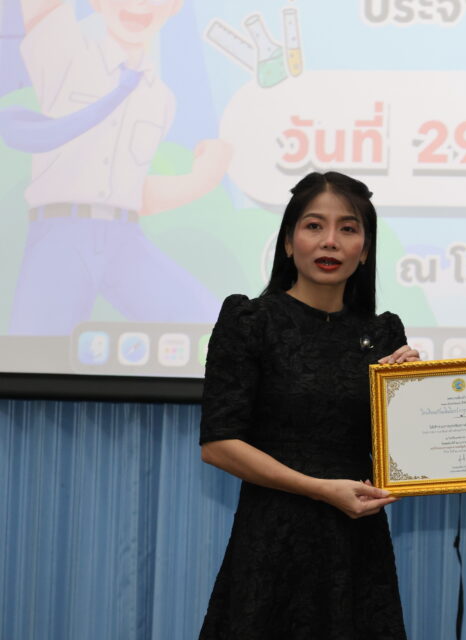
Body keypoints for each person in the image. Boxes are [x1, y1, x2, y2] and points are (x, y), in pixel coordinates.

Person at [198, 171, 416, 639]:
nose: (330, 241)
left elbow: (400, 458)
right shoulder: (250, 321)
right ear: (287, 242)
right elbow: (218, 445)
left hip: (356, 544)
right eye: (314, 226)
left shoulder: (383, 334)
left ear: (365, 250)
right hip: (274, 539)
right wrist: (320, 489)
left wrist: (410, 394)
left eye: (348, 228)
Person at [9, 0, 230, 335]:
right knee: (34, 346)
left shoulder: (161, 98)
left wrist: (201, 179)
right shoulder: (65, 57)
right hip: (60, 235)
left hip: (124, 238)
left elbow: (134, 191)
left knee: (211, 325)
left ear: (173, 7)